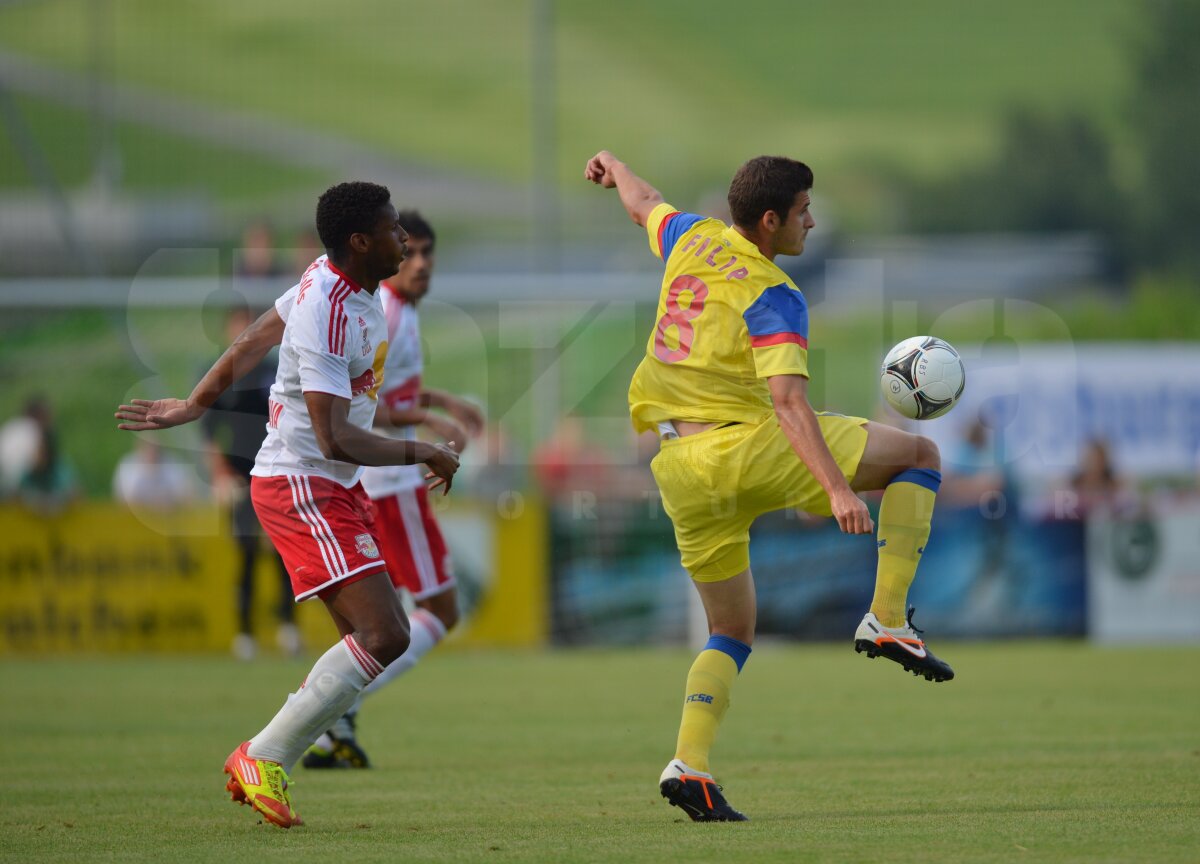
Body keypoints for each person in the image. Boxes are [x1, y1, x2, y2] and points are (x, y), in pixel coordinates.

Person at [585, 150, 952, 822]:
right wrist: (839, 491)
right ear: (771, 219)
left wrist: (617, 168)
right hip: (744, 448)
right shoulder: (774, 292)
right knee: (920, 454)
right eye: (805, 211)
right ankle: (889, 618)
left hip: (677, 468)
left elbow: (645, 204)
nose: (812, 223)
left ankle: (689, 765)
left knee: (730, 627)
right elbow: (788, 402)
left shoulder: (692, 235)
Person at [115, 181, 460, 829]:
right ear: (360, 242)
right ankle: (264, 755)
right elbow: (333, 435)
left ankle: (272, 758)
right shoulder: (329, 307)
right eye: (392, 230)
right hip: (302, 482)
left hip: (330, 484)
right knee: (386, 633)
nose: (405, 240)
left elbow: (253, 337)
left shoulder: (335, 284)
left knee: (373, 640)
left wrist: (194, 402)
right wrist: (423, 452)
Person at [300, 209, 484, 769]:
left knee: (396, 619)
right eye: (415, 251)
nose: (422, 263)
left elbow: (388, 391)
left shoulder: (392, 312)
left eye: (431, 253)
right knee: (438, 611)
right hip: (394, 482)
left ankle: (335, 713)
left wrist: (438, 404)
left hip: (379, 480)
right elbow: (373, 406)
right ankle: (336, 711)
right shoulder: (392, 314)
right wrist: (430, 427)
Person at [201, 306, 301, 661]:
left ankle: (289, 628)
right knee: (245, 554)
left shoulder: (273, 368)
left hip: (276, 470)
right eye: (237, 323)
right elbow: (210, 431)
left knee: (283, 553)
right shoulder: (220, 372)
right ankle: (245, 633)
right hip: (240, 476)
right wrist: (219, 473)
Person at [112, 437, 198, 507]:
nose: (151, 453)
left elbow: (187, 496)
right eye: (148, 448)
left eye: (154, 448)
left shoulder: (173, 465)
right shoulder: (129, 467)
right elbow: (124, 500)